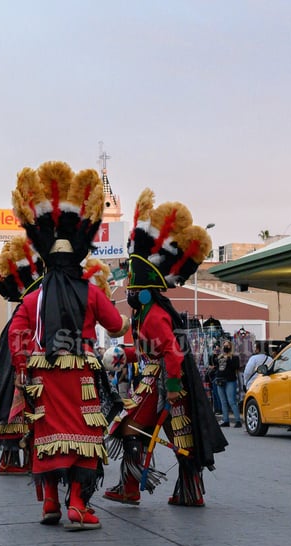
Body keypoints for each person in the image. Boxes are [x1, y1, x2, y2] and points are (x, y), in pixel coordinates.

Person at [9, 161, 129, 530]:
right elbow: (116, 325)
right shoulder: (92, 292)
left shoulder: (34, 298)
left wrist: (25, 363)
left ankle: (49, 503)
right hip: (82, 376)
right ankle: (77, 504)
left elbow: (17, 333)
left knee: (47, 437)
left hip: (44, 378)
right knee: (84, 438)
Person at [103, 187, 228, 508]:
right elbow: (149, 351)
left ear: (143, 289)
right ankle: (186, 491)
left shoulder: (154, 314)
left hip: (162, 384)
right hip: (157, 381)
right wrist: (122, 353)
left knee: (133, 431)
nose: (128, 288)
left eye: (132, 284)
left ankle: (134, 488)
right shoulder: (147, 312)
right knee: (177, 438)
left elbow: (170, 351)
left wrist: (172, 387)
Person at [0, 235, 45, 475]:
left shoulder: (25, 309)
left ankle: (29, 459)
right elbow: (19, 341)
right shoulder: (26, 311)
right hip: (21, 373)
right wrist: (23, 367)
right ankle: (12, 459)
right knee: (21, 417)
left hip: (25, 370)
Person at [212, 341, 242, 428]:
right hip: (220, 379)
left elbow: (235, 366)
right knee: (223, 401)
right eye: (224, 346)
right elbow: (215, 364)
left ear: (231, 347)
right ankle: (226, 420)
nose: (226, 347)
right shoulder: (220, 356)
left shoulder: (234, 357)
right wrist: (216, 355)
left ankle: (238, 420)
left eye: (228, 346)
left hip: (230, 380)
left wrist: (228, 359)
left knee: (231, 401)